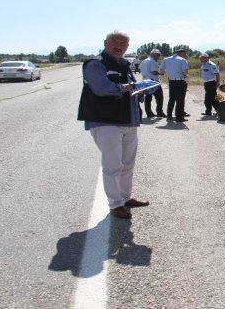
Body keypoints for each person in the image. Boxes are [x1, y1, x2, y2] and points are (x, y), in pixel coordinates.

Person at [77, 31, 149, 220]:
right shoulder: (95, 64)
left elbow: (131, 87)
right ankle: (115, 204)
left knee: (128, 164)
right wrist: (128, 88)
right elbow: (102, 88)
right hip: (105, 120)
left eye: (123, 43)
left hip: (128, 119)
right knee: (113, 164)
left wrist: (141, 89)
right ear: (105, 43)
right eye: (114, 42)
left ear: (128, 46)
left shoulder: (124, 64)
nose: (118, 45)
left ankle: (125, 198)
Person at [159, 48, 190, 122]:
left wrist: (169, 72)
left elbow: (161, 70)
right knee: (180, 100)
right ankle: (179, 117)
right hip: (181, 81)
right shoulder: (182, 60)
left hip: (171, 81)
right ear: (182, 53)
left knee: (172, 98)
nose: (185, 56)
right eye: (184, 54)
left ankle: (169, 115)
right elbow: (185, 72)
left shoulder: (166, 59)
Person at [140, 49, 166, 118]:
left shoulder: (144, 61)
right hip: (153, 81)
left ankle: (149, 113)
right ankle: (159, 112)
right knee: (159, 97)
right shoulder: (152, 61)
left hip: (145, 81)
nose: (158, 56)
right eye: (158, 55)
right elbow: (153, 72)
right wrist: (161, 73)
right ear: (153, 54)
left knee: (148, 98)